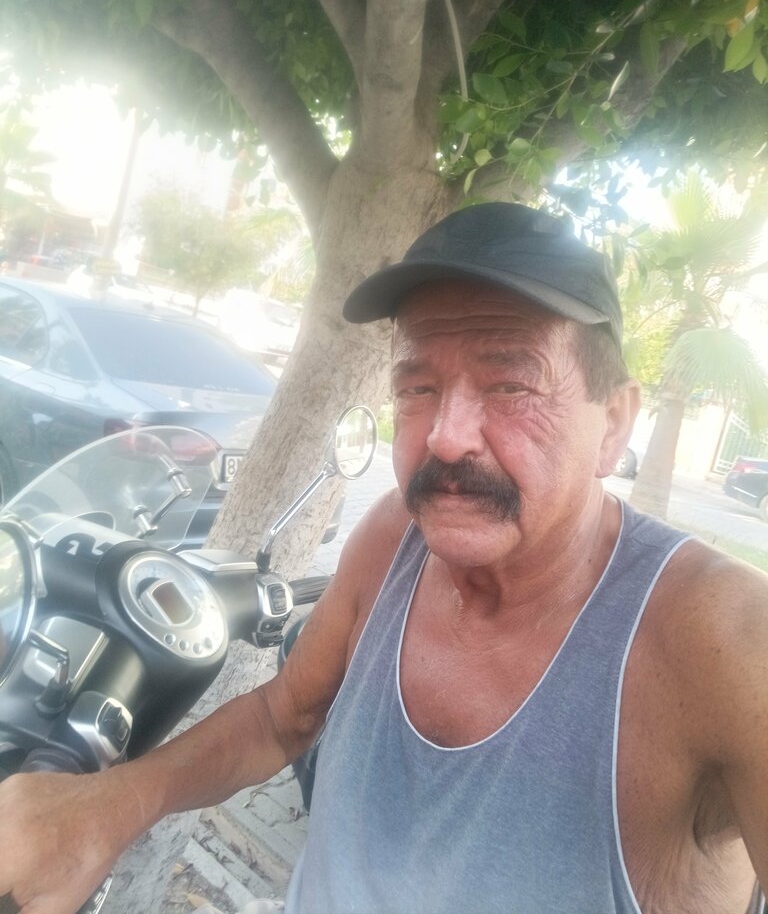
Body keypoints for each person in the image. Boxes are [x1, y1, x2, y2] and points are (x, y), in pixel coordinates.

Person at [1, 201, 767, 914]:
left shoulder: (723, 638)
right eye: (418, 388)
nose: (446, 438)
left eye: (511, 384)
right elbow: (282, 715)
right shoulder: (394, 537)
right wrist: (108, 807)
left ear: (614, 425)